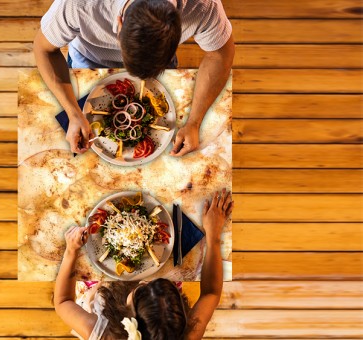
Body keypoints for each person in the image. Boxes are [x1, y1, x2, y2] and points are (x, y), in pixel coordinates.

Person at [34, 0, 235, 156]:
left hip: (162, 68)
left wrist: (194, 122)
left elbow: (220, 55)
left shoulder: (203, 6)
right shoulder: (77, 5)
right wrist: (73, 114)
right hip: (88, 61)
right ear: (119, 23)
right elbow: (43, 49)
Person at [54, 189, 233, 339]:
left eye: (142, 289)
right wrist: (213, 236)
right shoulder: (186, 334)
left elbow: (63, 301)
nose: (145, 281)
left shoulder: (104, 334)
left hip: (103, 296)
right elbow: (211, 293)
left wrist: (71, 251)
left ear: (129, 318)